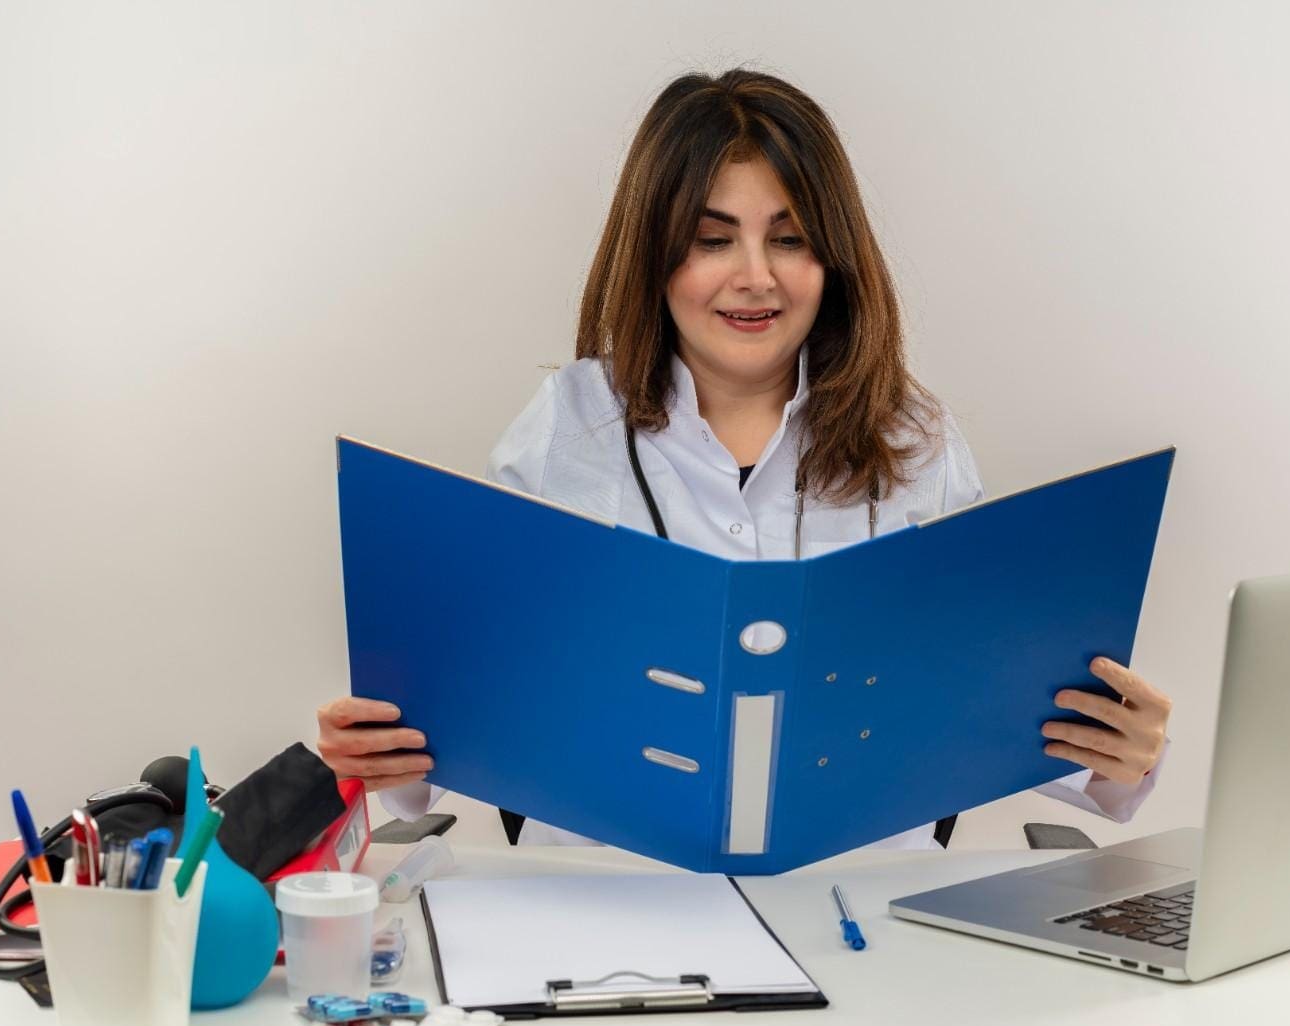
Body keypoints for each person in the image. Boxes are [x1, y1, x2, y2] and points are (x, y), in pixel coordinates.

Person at [315, 68, 1173, 849]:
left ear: (834, 258)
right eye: (712, 238)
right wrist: (389, 749)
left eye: (791, 239)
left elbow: (994, 700)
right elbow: (476, 700)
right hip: (602, 903)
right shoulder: (565, 427)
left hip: (865, 910)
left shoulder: (916, 439)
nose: (756, 277)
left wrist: (1122, 757)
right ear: (654, 254)